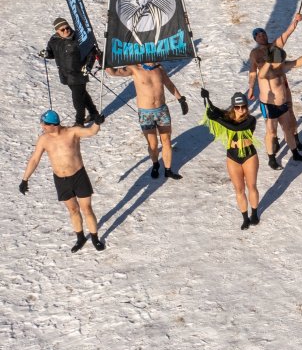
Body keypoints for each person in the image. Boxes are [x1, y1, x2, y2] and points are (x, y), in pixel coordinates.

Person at [19, 110, 104, 250]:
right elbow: (34, 159)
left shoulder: (72, 132)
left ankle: (95, 238)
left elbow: (91, 132)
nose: (42, 126)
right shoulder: (44, 139)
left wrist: (97, 123)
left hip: (79, 176)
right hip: (61, 180)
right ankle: (80, 238)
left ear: (54, 125)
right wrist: (25, 179)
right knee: (73, 209)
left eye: (45, 124)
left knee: (87, 208)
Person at [246, 18, 302, 168]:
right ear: (255, 39)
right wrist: (250, 88)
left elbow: (288, 40)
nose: (262, 36)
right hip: (268, 103)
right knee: (271, 131)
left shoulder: (276, 50)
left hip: (282, 99)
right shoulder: (256, 55)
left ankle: (295, 152)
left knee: (288, 128)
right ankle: (272, 158)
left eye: (263, 34)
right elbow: (255, 73)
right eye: (258, 35)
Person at [105, 62, 188, 180]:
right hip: (146, 114)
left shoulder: (159, 68)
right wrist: (105, 61)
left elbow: (169, 84)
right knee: (153, 145)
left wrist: (181, 99)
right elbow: (114, 72)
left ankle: (168, 170)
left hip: (162, 111)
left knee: (166, 141)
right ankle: (155, 164)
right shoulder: (134, 68)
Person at [198, 89, 261, 229]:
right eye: (237, 107)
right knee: (239, 189)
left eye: (243, 106)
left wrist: (217, 119)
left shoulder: (251, 120)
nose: (241, 110)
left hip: (249, 155)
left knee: (251, 186)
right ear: (233, 107)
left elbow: (236, 128)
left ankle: (254, 213)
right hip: (233, 156)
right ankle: (245, 217)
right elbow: (213, 110)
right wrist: (206, 99)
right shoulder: (227, 117)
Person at [44, 17, 101, 127]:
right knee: (82, 95)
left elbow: (91, 52)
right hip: (66, 75)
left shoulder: (79, 38)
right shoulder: (54, 40)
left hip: (79, 73)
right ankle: (94, 113)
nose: (66, 30)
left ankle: (79, 122)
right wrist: (46, 54)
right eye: (62, 29)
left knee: (77, 100)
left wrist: (88, 66)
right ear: (57, 31)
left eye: (67, 28)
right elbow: (51, 53)